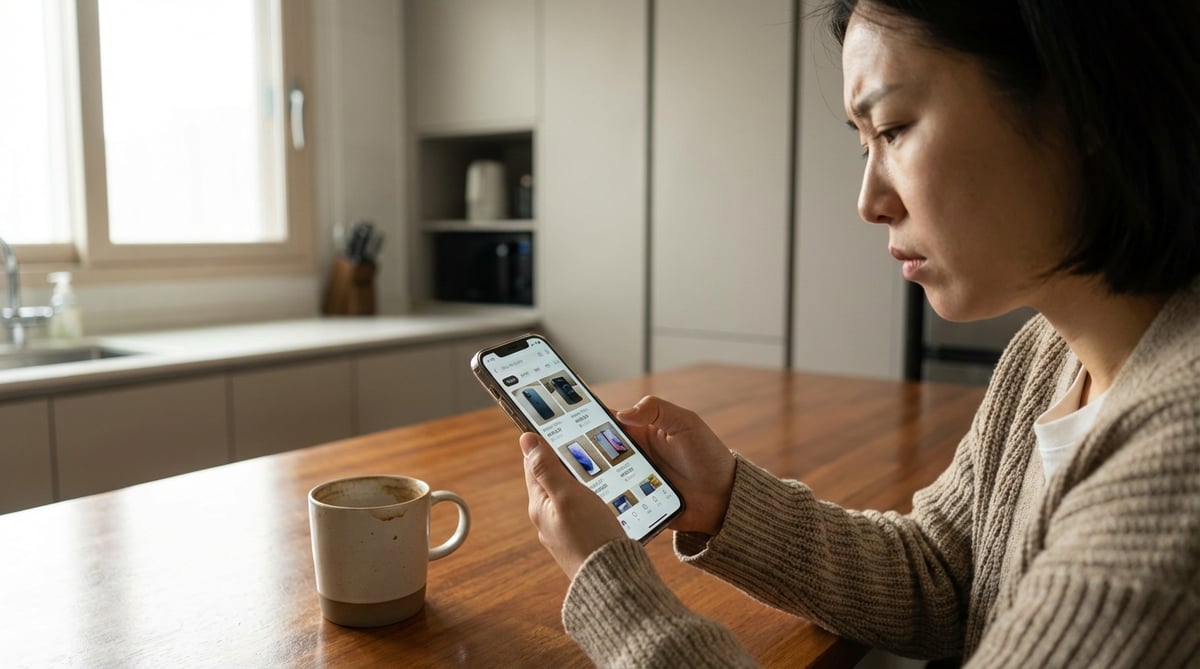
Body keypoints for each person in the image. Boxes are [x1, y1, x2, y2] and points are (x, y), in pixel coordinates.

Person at [518, 0, 1200, 666]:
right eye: (863, 139)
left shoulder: (1178, 455)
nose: (869, 201)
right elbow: (946, 573)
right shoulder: (1048, 352)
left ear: (1079, 101)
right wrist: (725, 498)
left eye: (895, 129)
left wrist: (617, 593)